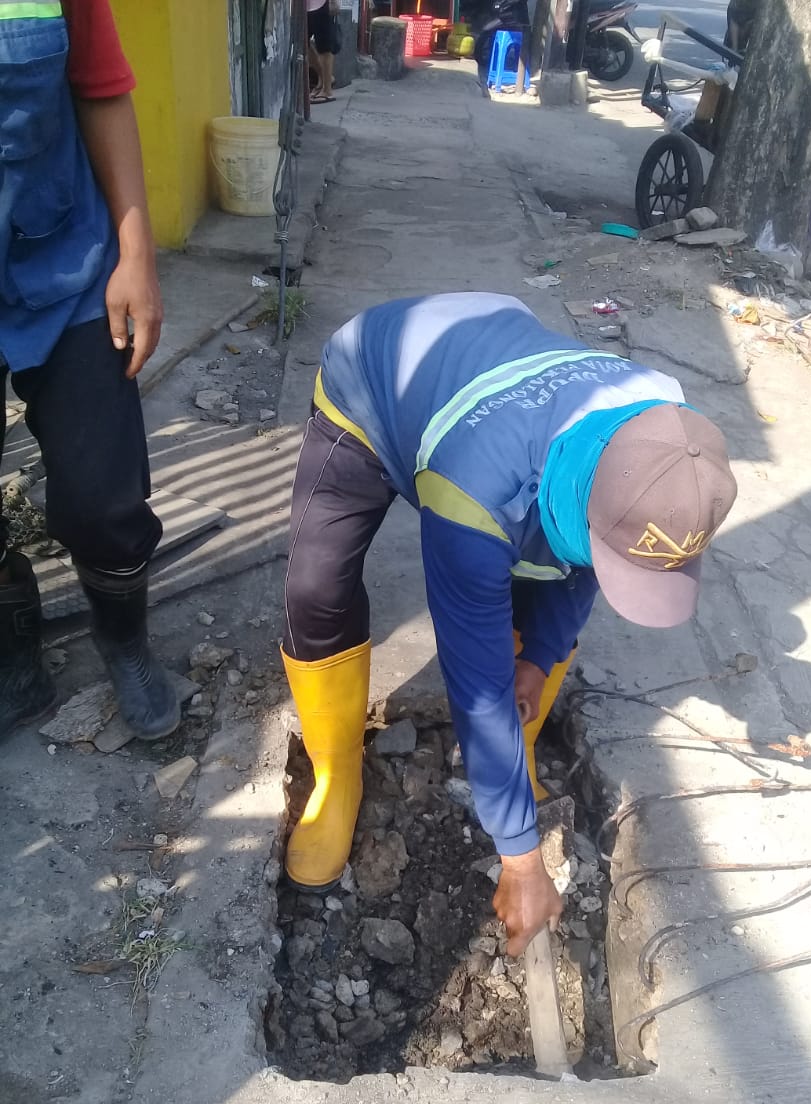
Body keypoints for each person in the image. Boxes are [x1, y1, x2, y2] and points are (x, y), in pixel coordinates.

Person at [281, 293, 738, 956]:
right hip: (377, 379)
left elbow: (588, 559)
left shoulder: (666, 438)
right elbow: (476, 679)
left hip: (502, 369)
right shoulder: (475, 489)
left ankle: (513, 755)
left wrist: (541, 654)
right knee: (316, 587)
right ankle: (335, 772)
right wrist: (521, 860)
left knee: (547, 564)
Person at [0, 0, 178, 743]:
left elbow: (102, 89)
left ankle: (124, 642)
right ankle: (14, 655)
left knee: (104, 495)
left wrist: (136, 258)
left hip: (64, 260)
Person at [307, 0, 338, 104]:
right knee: (301, 43)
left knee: (324, 45)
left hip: (322, 4)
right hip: (303, 6)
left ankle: (327, 90)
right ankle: (325, 78)